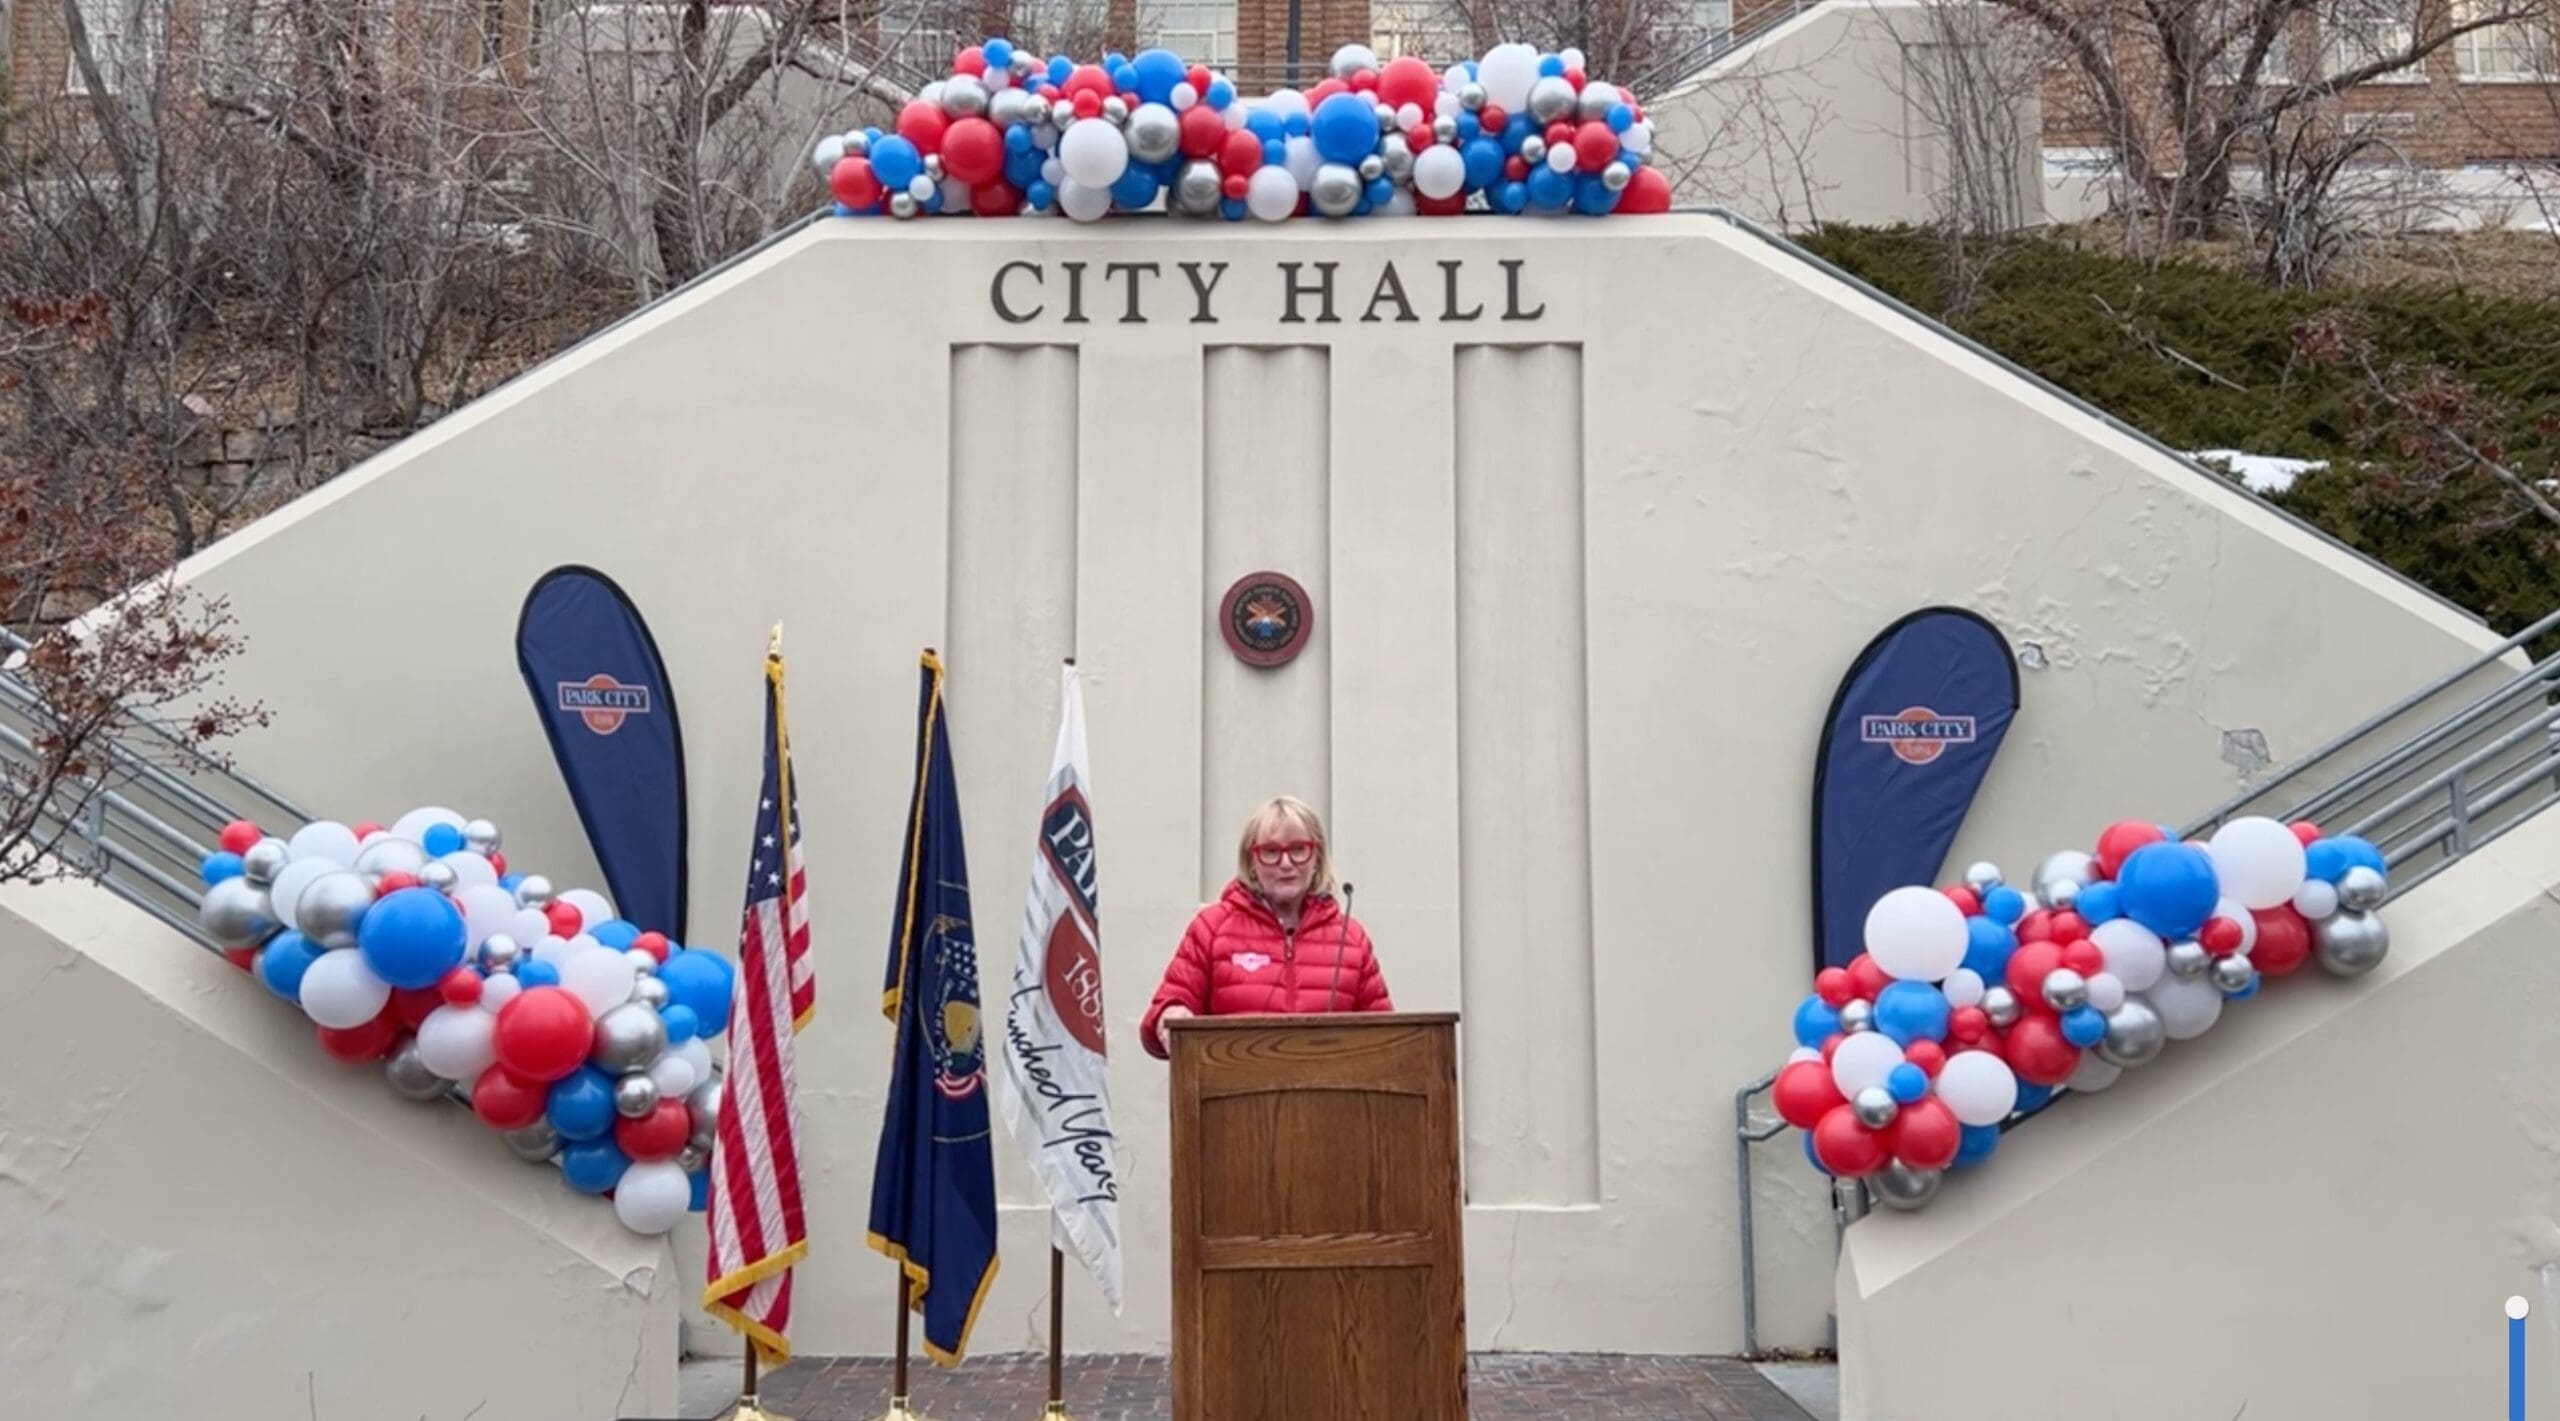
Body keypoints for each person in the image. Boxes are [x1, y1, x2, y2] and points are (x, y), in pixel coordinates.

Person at [1141, 795, 1392, 1057]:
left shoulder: (1351, 938)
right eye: (1270, 852)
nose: (1286, 863)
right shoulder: (1212, 927)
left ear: (1316, 858)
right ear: (1251, 862)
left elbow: (1387, 1038)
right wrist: (1170, 1015)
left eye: (1298, 849)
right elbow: (1165, 1009)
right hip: (1233, 1091)